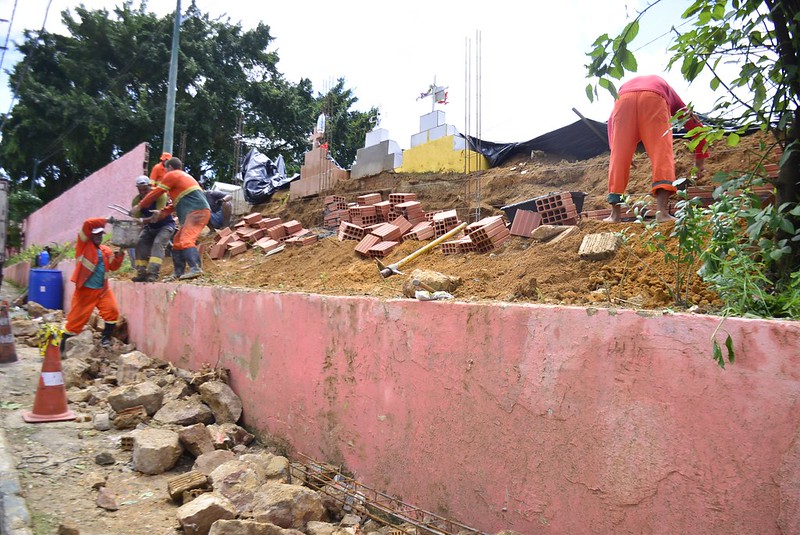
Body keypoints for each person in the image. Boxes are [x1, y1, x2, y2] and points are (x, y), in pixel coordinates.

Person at [605, 74, 709, 223]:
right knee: (662, 154)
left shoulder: (632, 87)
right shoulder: (671, 96)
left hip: (622, 100)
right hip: (654, 97)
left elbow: (611, 124)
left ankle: (614, 216)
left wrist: (618, 149)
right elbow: (696, 127)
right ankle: (662, 214)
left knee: (618, 160)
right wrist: (699, 163)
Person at [135, 157, 210, 280]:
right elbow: (175, 204)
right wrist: (162, 212)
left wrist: (140, 205)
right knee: (177, 241)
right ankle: (178, 273)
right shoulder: (183, 179)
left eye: (166, 170)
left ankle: (196, 268)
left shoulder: (173, 175)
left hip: (196, 212)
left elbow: (157, 192)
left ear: (169, 167)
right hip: (198, 211)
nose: (165, 173)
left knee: (186, 240)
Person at [62, 217, 125, 350]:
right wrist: (107, 220)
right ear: (90, 235)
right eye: (96, 235)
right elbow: (88, 223)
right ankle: (62, 346)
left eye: (100, 235)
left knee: (112, 311)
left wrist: (120, 255)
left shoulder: (106, 250)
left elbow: (113, 267)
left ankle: (106, 338)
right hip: (85, 291)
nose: (99, 237)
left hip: (103, 290)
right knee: (75, 320)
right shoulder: (83, 246)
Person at [130, 175, 176, 282]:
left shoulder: (160, 195)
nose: (143, 192)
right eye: (140, 190)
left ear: (150, 186)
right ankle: (141, 273)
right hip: (150, 227)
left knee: (158, 243)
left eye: (145, 189)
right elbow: (138, 221)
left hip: (165, 226)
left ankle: (153, 273)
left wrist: (142, 220)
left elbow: (157, 216)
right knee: (140, 243)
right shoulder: (136, 201)